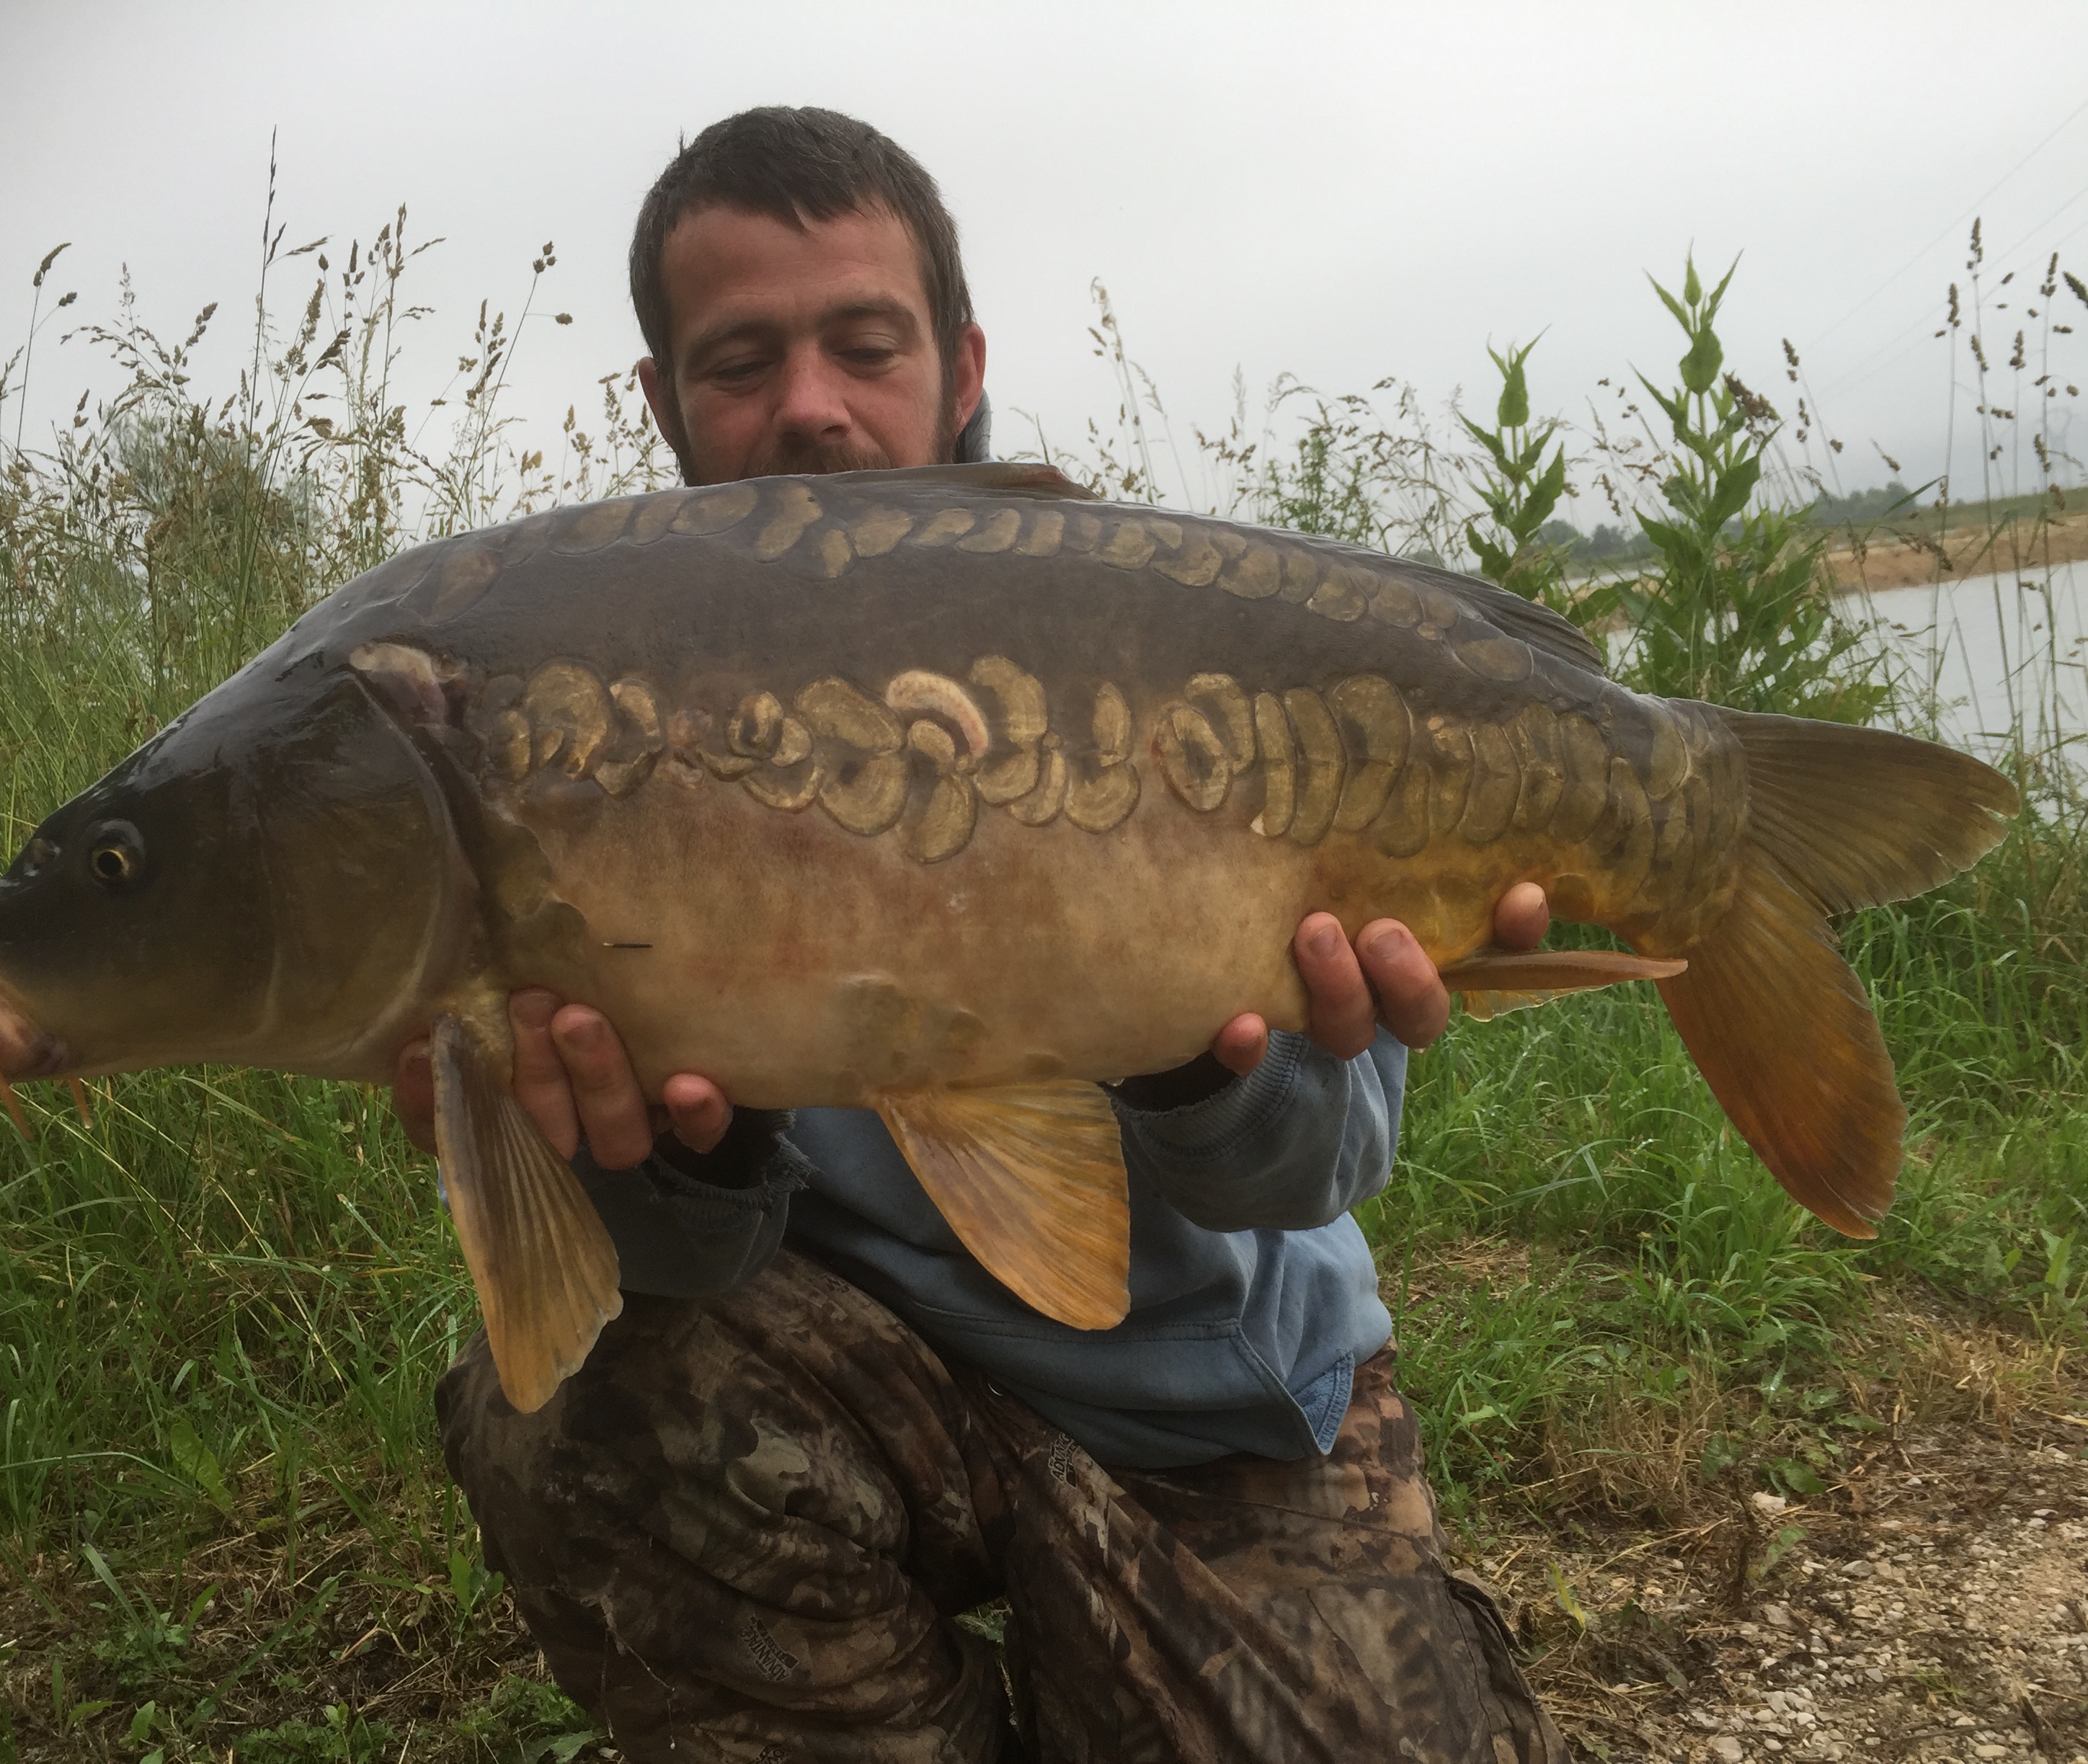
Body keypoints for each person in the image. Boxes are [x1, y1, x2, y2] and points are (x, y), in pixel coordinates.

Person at [396, 107, 1569, 1764]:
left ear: (961, 364)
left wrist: (1179, 1032)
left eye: (865, 344)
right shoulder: (587, 718)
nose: (812, 405)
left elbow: (1317, 1171)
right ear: (663, 404)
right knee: (573, 1417)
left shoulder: (1166, 639)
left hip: (1214, 1412)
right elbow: (684, 1273)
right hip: (865, 1387)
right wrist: (679, 1159)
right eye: (742, 361)